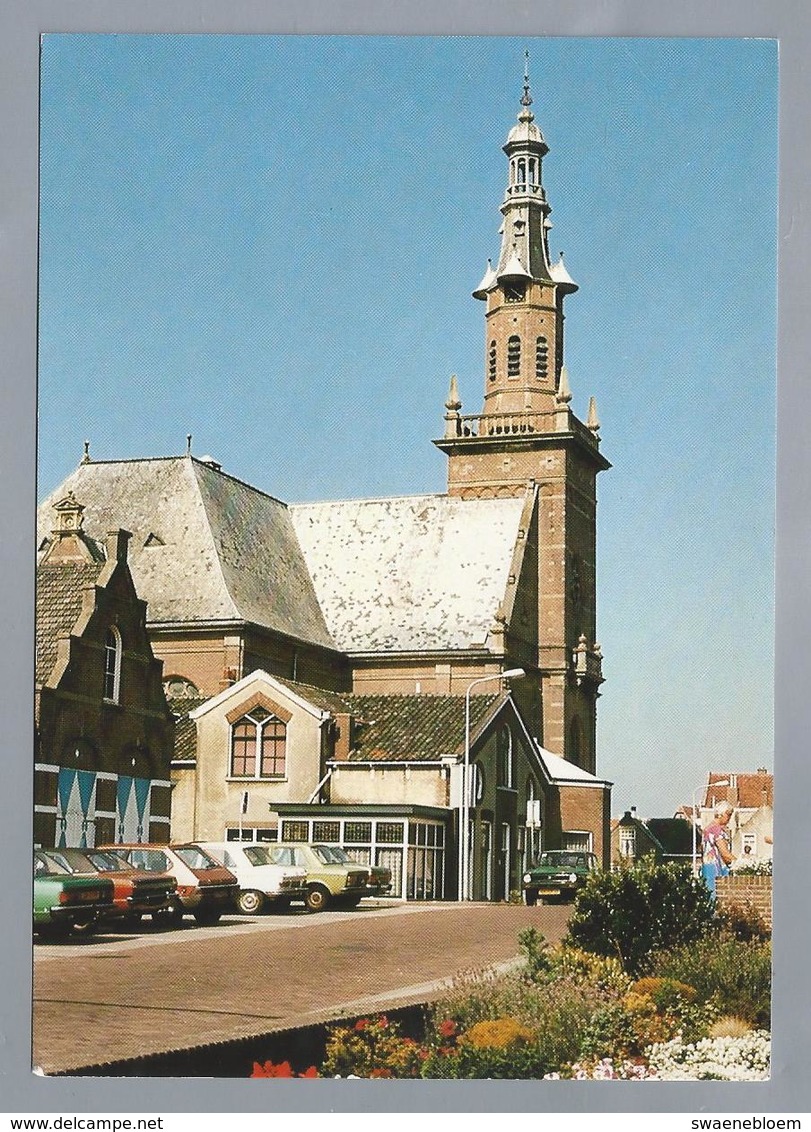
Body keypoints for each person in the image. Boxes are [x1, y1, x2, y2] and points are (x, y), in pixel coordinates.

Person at [701, 800, 735, 896]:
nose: (729, 818)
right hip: (716, 869)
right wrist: (742, 864)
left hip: (707, 868)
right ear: (720, 814)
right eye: (728, 814)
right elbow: (725, 853)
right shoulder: (716, 830)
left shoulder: (707, 829)